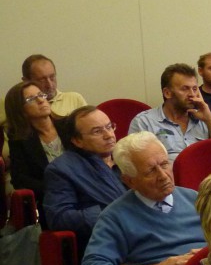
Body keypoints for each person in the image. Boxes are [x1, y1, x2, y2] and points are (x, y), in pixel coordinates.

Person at [78, 132, 206, 265]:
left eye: (164, 164)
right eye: (150, 171)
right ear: (129, 181)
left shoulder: (194, 198)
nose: (163, 176)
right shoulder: (115, 217)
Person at [43, 106, 125, 248]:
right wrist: (111, 213)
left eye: (109, 127)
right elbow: (59, 218)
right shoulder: (61, 169)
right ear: (77, 141)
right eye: (97, 131)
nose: (109, 135)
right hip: (106, 243)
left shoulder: (127, 156)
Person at [128, 63, 211, 162]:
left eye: (194, 89)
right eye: (185, 89)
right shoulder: (144, 122)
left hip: (203, 171)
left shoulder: (205, 120)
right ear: (167, 93)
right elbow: (139, 164)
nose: (192, 94)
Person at [4, 81, 63, 214]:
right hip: (53, 201)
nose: (41, 100)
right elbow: (20, 179)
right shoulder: (19, 140)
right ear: (20, 110)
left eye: (41, 95)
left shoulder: (68, 126)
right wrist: (57, 189)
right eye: (31, 99)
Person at [20, 54, 87, 118]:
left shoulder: (74, 99)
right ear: (26, 81)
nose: (50, 85)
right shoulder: (22, 108)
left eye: (52, 77)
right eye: (42, 80)